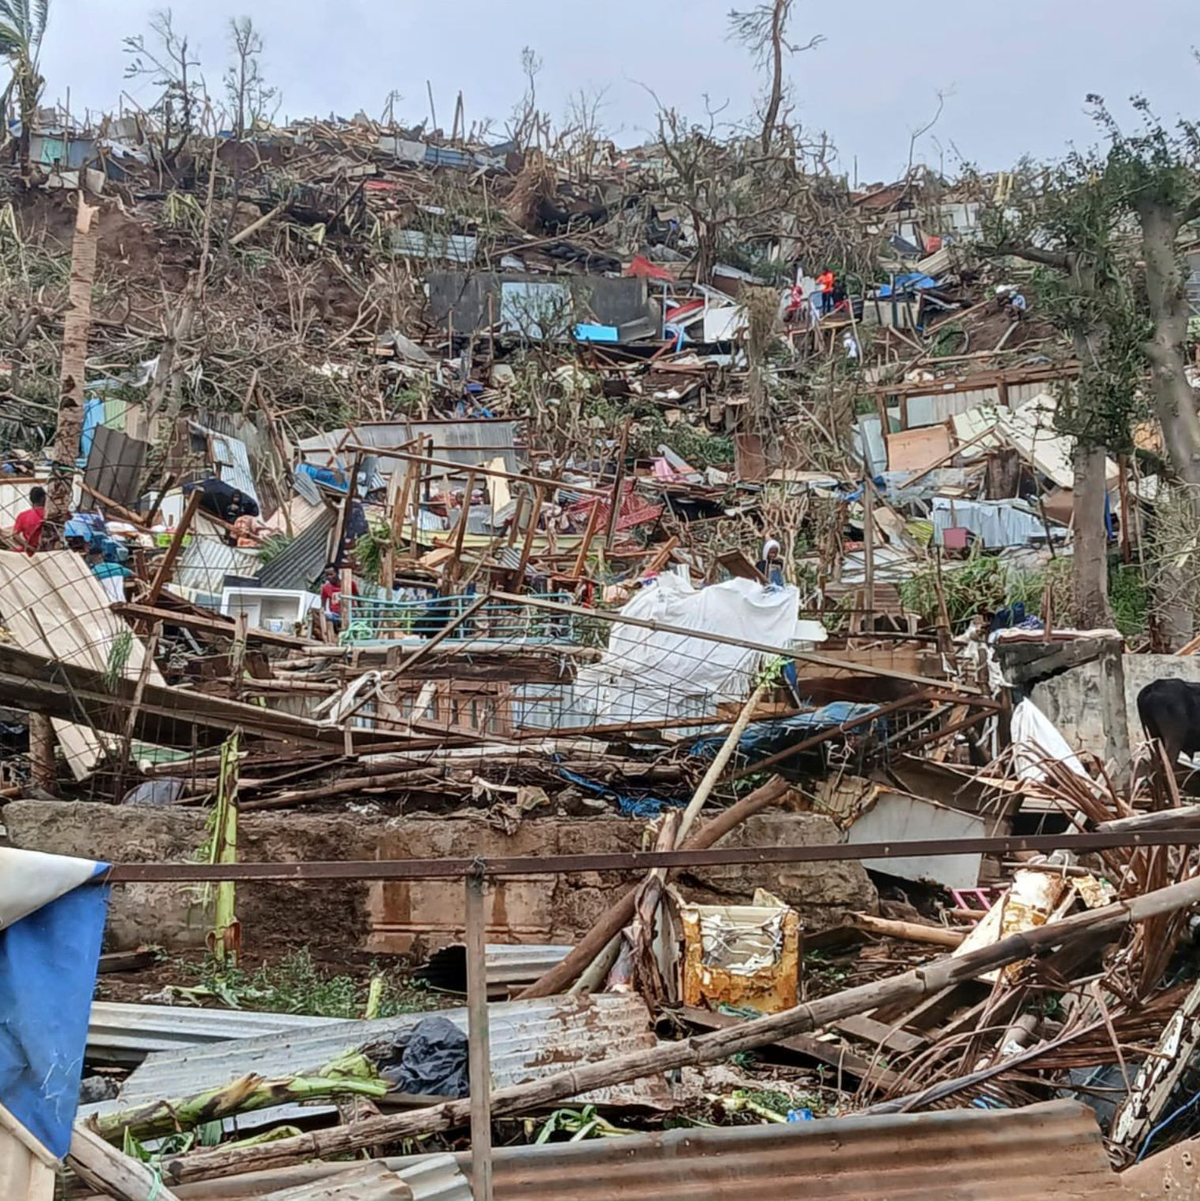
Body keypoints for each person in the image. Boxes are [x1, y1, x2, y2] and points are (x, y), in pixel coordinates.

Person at [319, 564, 357, 631]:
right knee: (326, 616)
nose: (329, 577)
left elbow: (358, 598)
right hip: (335, 615)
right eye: (327, 575)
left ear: (337, 573)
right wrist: (323, 614)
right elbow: (323, 605)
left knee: (353, 619)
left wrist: (361, 613)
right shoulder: (325, 588)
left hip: (350, 613)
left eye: (331, 574)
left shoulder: (350, 584)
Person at [11, 485, 46, 554]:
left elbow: (15, 535)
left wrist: (28, 547)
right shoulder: (51, 515)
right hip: (48, 551)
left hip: (29, 552)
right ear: (43, 498)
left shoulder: (23, 515)